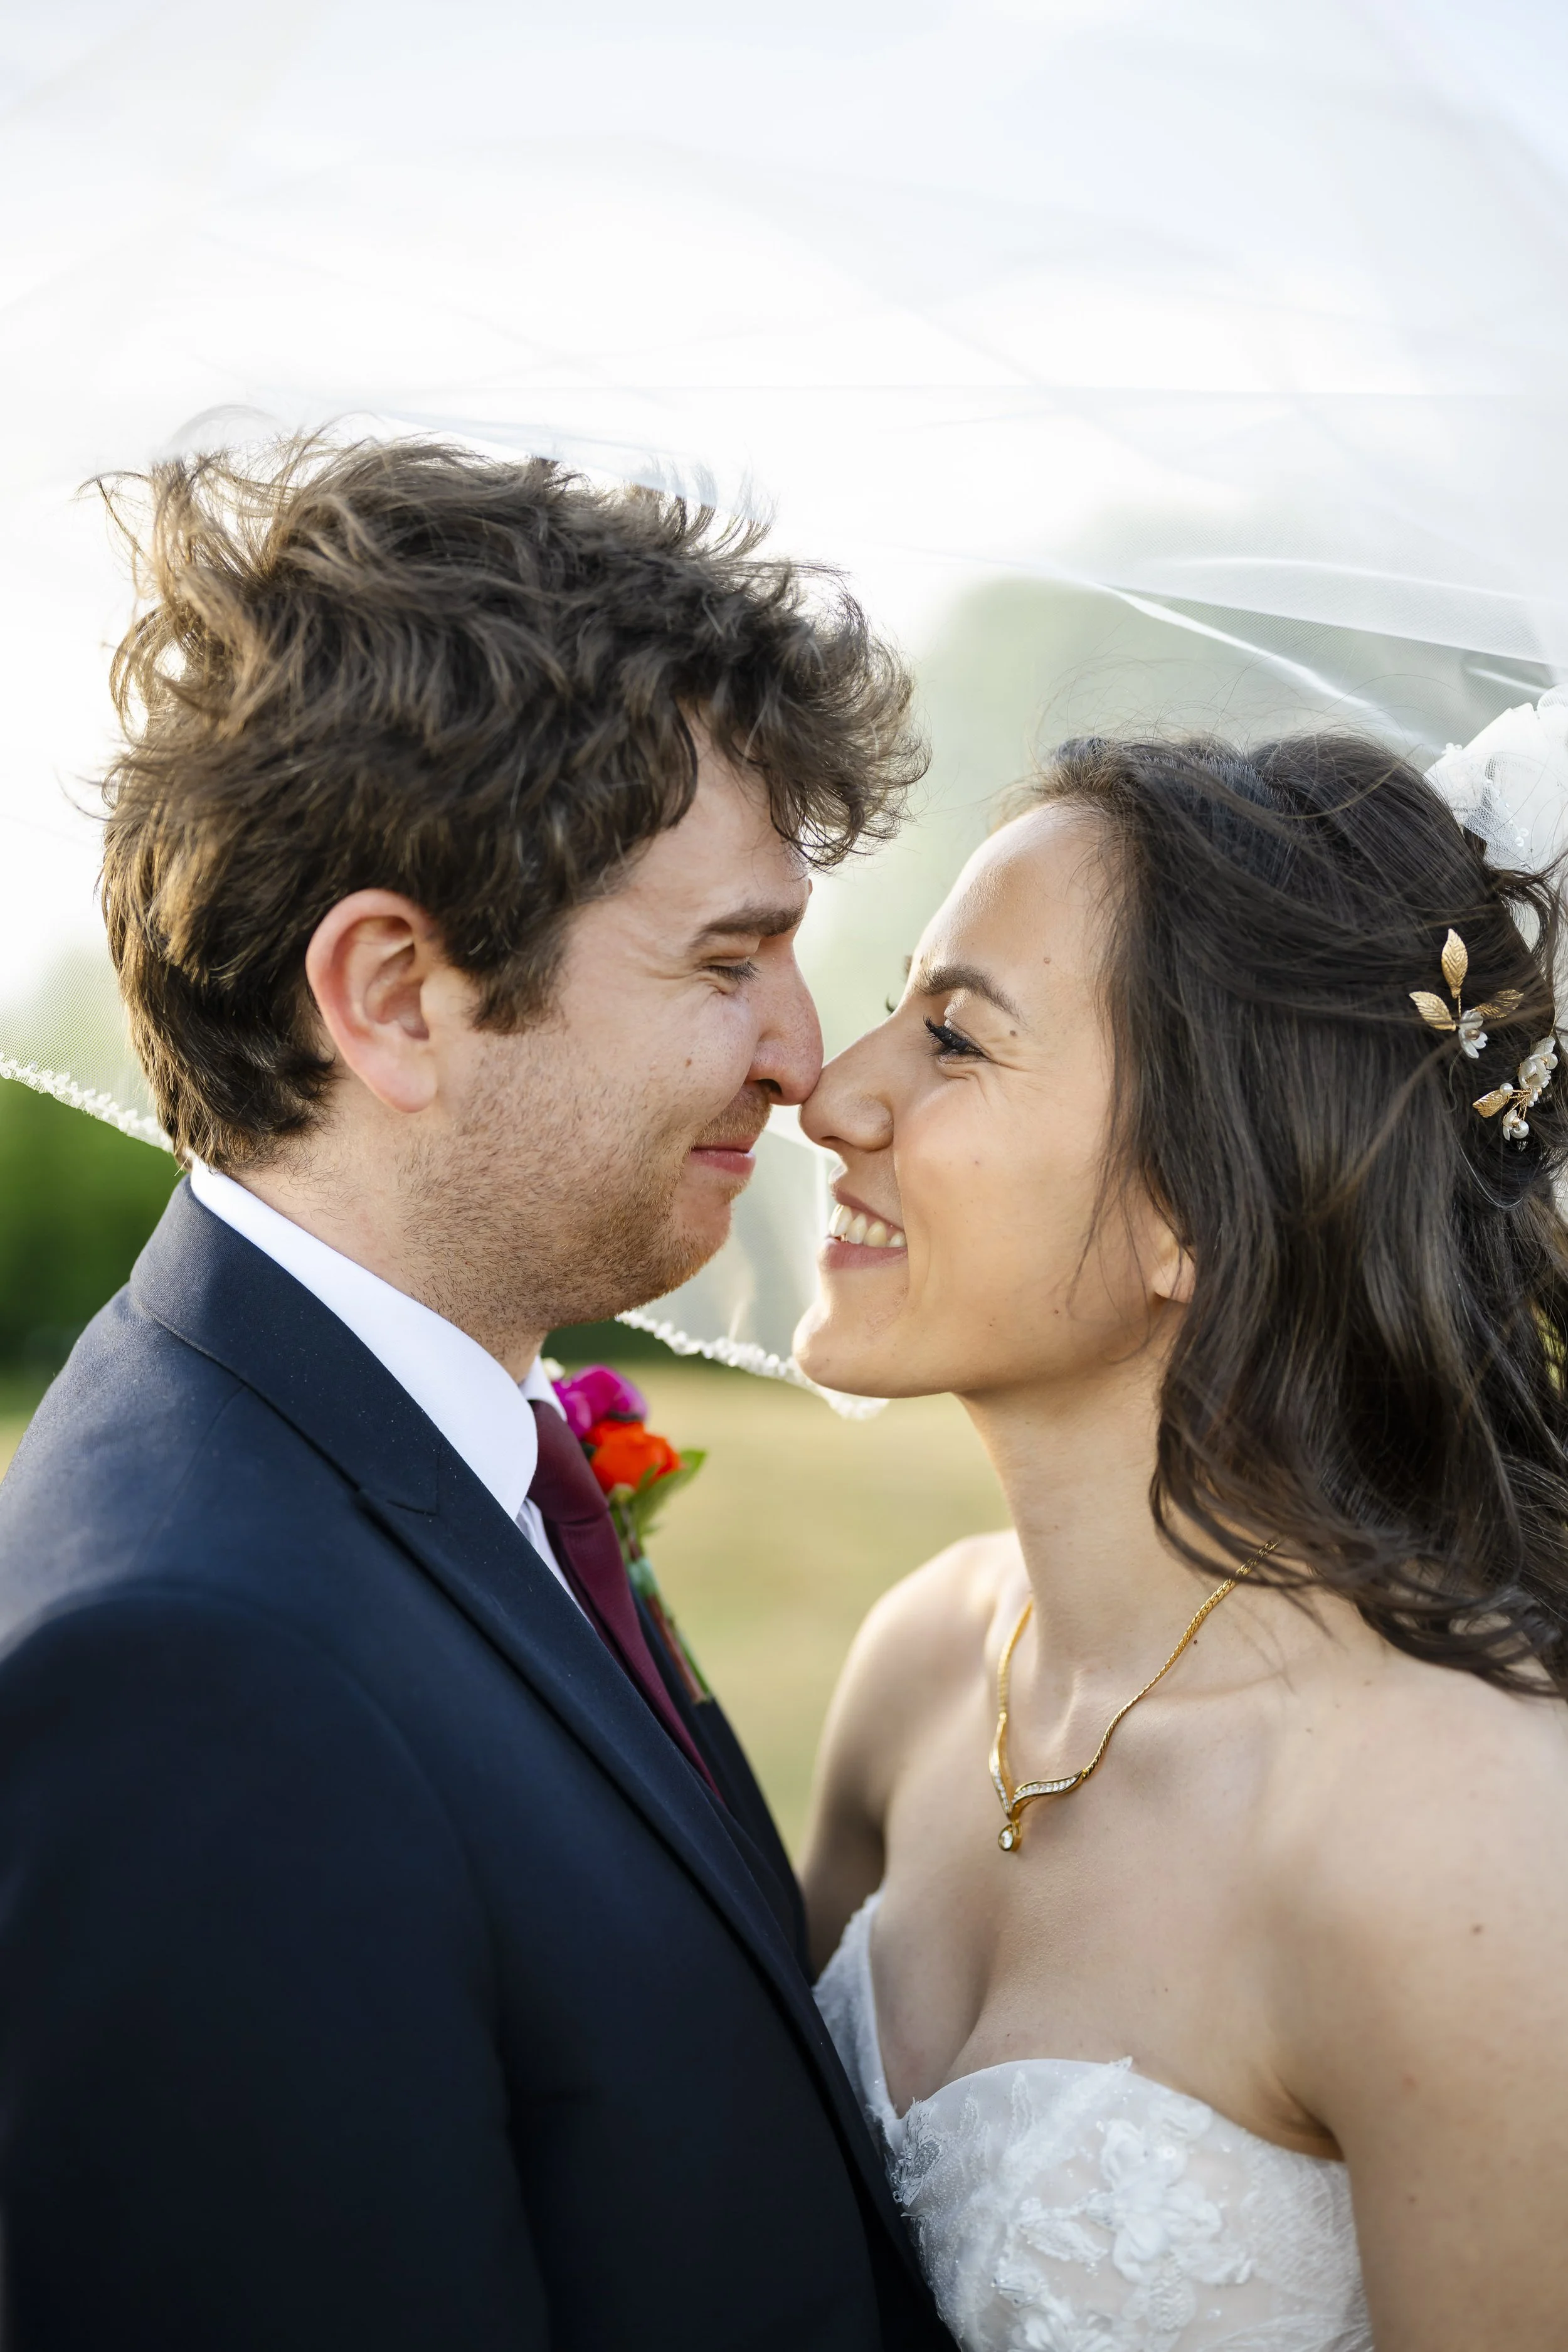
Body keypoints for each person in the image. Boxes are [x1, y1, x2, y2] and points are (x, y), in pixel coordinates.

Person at [0, 438, 953, 2351]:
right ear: (394, 995)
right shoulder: (190, 1681)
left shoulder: (419, 1446)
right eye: (727, 957)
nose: (800, 1055)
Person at [796, 730, 1568, 2351]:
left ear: (1198, 1207)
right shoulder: (926, 1658)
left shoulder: (1464, 1838)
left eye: (952, 1037)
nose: (834, 1088)